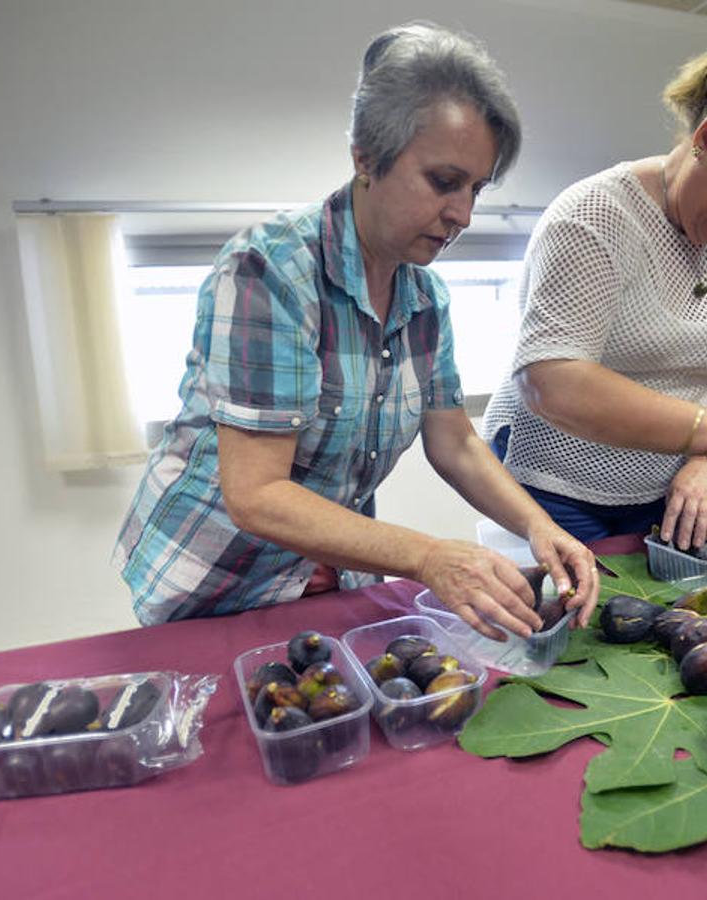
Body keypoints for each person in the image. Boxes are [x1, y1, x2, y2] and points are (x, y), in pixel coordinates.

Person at [114, 23, 598, 640]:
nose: (463, 214)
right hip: (217, 585)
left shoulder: (425, 298)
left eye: (477, 189)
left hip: (329, 575)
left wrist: (538, 526)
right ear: (366, 156)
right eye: (444, 182)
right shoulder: (272, 271)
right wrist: (430, 556)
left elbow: (454, 441)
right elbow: (256, 493)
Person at [481, 48, 707, 550]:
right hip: (553, 484)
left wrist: (703, 461)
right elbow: (552, 379)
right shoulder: (594, 216)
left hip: (669, 490)